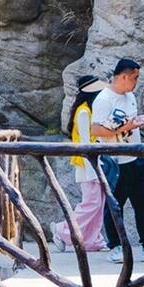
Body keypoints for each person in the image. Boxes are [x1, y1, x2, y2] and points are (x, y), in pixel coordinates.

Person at [90, 57, 144, 249]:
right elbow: (96, 130)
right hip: (116, 161)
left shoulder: (130, 97)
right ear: (124, 77)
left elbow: (130, 121)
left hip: (136, 158)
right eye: (135, 78)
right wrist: (126, 127)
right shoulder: (103, 99)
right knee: (115, 206)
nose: (136, 83)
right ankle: (115, 246)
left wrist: (136, 123)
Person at [52, 76, 107, 252]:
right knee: (91, 203)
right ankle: (62, 230)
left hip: (95, 162)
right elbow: (85, 142)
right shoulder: (83, 112)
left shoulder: (89, 110)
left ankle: (92, 240)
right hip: (87, 164)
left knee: (99, 203)